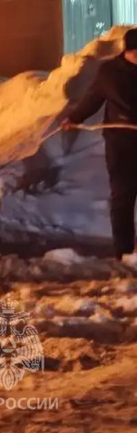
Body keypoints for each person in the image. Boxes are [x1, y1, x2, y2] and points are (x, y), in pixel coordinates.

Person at [62, 28, 137, 259]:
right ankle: (123, 252)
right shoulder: (110, 73)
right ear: (129, 51)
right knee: (123, 195)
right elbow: (93, 98)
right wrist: (75, 118)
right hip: (121, 142)